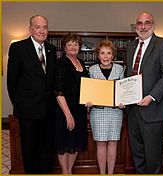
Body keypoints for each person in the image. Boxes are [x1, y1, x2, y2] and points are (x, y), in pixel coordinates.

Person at [125, 11, 163, 174]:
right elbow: (128, 75)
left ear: (153, 25)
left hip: (153, 111)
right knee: (138, 154)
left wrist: (151, 96)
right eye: (139, 23)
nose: (143, 26)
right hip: (133, 109)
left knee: (153, 158)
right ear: (136, 27)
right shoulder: (131, 46)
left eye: (147, 23)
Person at [7, 15, 56, 174]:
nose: (42, 31)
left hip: (48, 110)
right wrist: (20, 105)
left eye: (45, 27)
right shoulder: (18, 48)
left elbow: (51, 80)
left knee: (47, 149)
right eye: (38, 27)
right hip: (28, 111)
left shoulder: (51, 49)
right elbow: (12, 82)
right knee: (30, 150)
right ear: (30, 29)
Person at [85, 40, 124, 174]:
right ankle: (102, 173)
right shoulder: (92, 70)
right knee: (101, 144)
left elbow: (122, 90)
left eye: (109, 53)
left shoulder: (120, 69)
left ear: (113, 55)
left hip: (115, 112)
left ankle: (111, 173)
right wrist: (88, 101)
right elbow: (88, 91)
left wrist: (122, 100)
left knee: (113, 143)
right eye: (102, 53)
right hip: (98, 112)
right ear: (98, 55)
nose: (106, 56)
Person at [54, 33, 88, 174]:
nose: (73, 47)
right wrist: (68, 115)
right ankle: (65, 172)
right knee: (64, 143)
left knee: (75, 143)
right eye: (70, 44)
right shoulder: (61, 63)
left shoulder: (82, 62)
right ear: (64, 48)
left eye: (76, 44)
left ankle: (69, 171)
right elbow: (58, 91)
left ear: (79, 46)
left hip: (79, 110)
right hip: (64, 111)